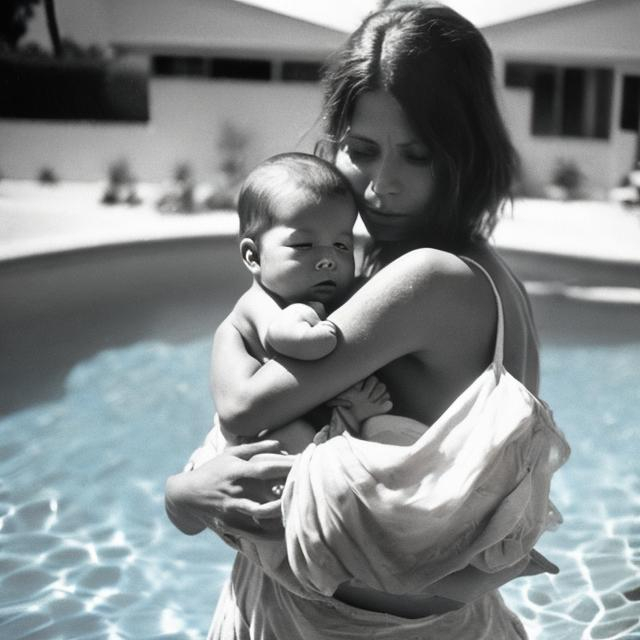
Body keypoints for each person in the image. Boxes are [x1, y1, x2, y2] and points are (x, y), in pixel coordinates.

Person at [165, 3, 570, 637]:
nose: (384, 186)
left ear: (469, 152)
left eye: (419, 155)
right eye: (363, 150)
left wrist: (178, 495)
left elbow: (244, 407)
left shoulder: (427, 280)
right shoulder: (482, 274)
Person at [191, 152, 395, 469]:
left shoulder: (321, 297)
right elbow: (286, 336)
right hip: (247, 442)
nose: (328, 259)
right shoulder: (257, 304)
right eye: (303, 246)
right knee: (297, 436)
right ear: (253, 257)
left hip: (294, 424)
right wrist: (329, 331)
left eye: (342, 246)